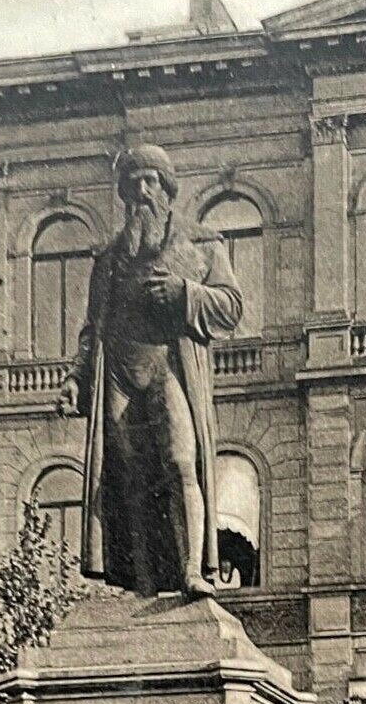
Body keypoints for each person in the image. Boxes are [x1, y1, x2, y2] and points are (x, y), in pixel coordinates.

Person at [57, 144, 243, 598]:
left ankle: (193, 571)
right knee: (126, 476)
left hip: (170, 367)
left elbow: (232, 306)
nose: (142, 191)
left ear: (167, 188)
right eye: (134, 183)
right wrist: (76, 378)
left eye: (151, 181)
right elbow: (92, 329)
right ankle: (140, 583)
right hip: (118, 372)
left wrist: (184, 293)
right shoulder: (109, 260)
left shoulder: (201, 243)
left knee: (182, 462)